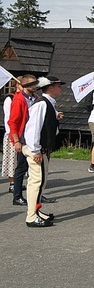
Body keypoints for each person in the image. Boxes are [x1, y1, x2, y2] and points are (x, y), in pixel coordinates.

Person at [22, 76, 65, 227]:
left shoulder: (48, 104)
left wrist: (55, 118)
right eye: (58, 86)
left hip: (42, 148)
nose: (60, 88)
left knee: (41, 182)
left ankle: (37, 210)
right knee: (36, 181)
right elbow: (33, 128)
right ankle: (31, 215)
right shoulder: (42, 104)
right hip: (36, 149)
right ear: (51, 87)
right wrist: (35, 150)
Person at [7, 75, 38, 206]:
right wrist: (16, 140)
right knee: (21, 167)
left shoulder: (35, 99)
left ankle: (36, 194)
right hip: (23, 137)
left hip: (33, 135)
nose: (36, 85)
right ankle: (17, 195)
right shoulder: (19, 100)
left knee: (35, 168)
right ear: (25, 85)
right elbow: (12, 121)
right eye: (33, 83)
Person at [2, 78, 22, 193]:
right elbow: (9, 118)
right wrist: (12, 134)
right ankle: (12, 183)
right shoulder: (10, 99)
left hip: (21, 133)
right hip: (12, 133)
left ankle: (18, 182)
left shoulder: (25, 98)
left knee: (19, 161)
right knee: (11, 159)